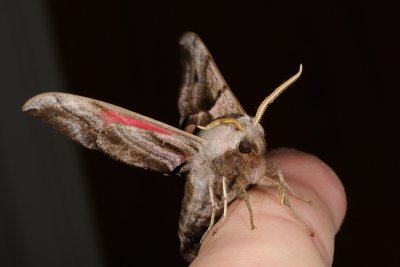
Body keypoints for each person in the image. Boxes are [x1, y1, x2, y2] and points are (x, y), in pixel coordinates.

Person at [190, 149, 347, 266]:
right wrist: (249, 219)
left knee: (278, 181)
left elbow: (277, 172)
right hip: (208, 202)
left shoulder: (258, 166)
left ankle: (292, 204)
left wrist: (292, 193)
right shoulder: (233, 168)